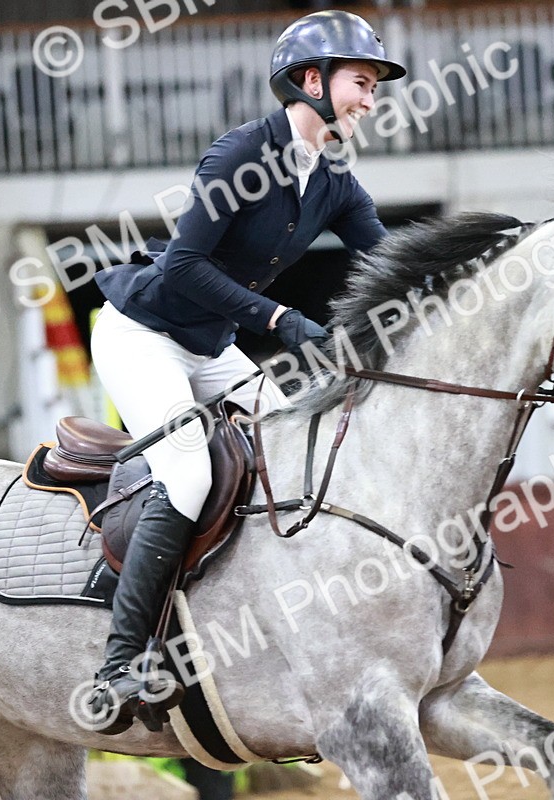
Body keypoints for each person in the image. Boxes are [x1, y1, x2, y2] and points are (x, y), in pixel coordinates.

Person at [85, 9, 406, 732]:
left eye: (374, 85)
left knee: (285, 452)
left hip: (209, 347)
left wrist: (476, 274)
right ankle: (119, 664)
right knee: (191, 473)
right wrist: (281, 321)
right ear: (310, 80)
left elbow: (390, 263)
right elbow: (186, 265)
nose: (371, 98)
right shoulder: (239, 155)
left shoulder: (334, 178)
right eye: (362, 82)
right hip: (143, 335)